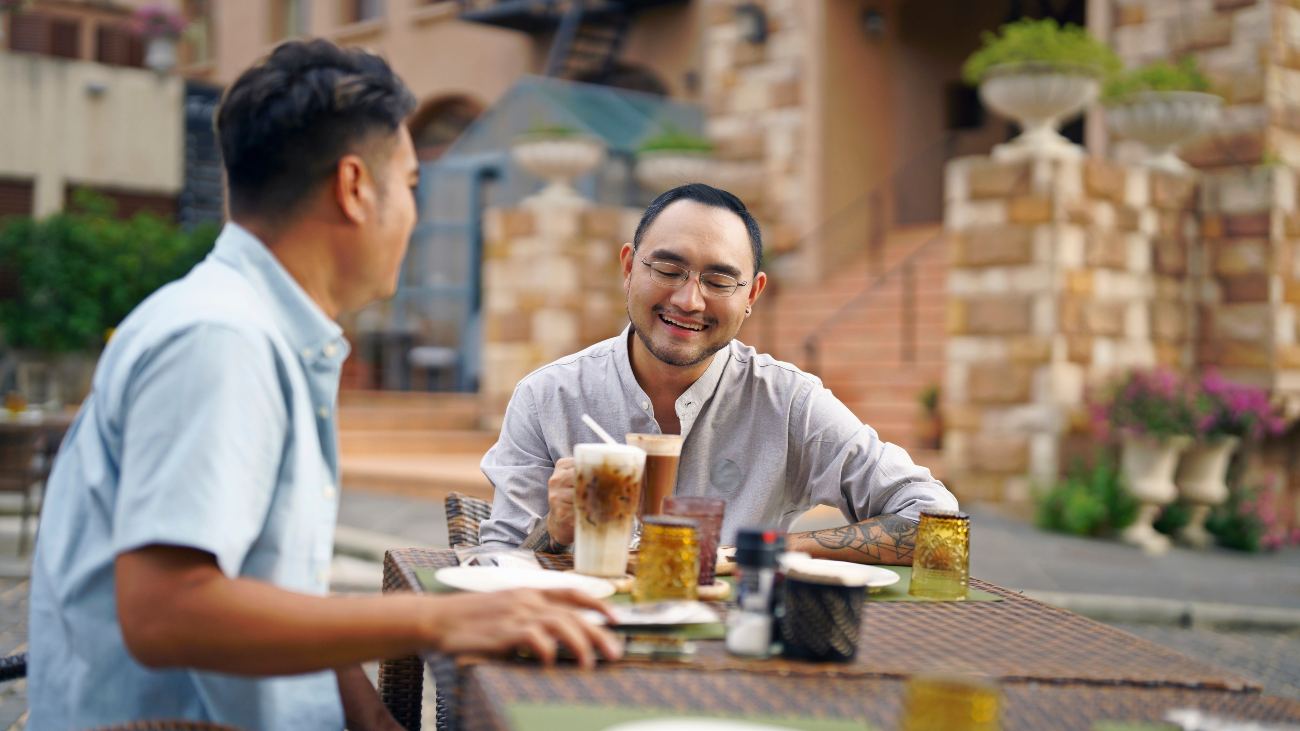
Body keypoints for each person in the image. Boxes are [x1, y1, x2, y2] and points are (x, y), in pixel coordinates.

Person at [27, 40, 619, 731]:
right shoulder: (223, 341)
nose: (414, 214)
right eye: (411, 185)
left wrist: (374, 720)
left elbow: (278, 590)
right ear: (355, 187)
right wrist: (441, 616)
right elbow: (165, 612)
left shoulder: (260, 332)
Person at [479, 183, 958, 564]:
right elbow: (494, 560)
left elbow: (936, 521)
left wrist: (762, 550)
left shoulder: (786, 402)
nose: (689, 300)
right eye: (668, 269)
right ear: (628, 267)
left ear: (752, 295)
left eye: (720, 280)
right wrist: (556, 532)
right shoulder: (550, 396)